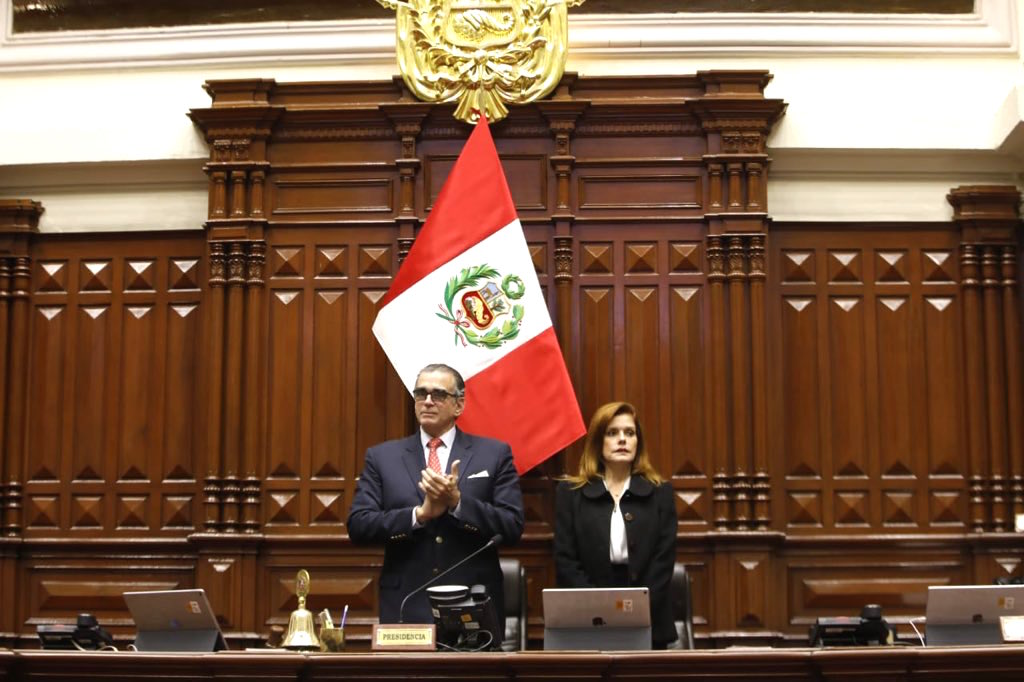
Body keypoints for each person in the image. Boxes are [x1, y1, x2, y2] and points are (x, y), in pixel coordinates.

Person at [347, 363, 524, 627]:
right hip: (406, 605)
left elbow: (512, 526)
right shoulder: (383, 457)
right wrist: (419, 515)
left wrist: (458, 503)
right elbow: (359, 525)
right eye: (421, 394)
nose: (427, 402)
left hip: (473, 604)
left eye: (438, 395)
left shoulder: (494, 454)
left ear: (459, 405)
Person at [554, 401, 678, 648]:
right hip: (586, 617)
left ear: (637, 443)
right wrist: (598, 609)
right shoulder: (570, 493)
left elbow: (663, 562)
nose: (622, 439)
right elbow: (565, 560)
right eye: (612, 433)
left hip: (649, 620)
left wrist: (636, 611)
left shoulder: (660, 492)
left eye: (629, 433)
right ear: (598, 442)